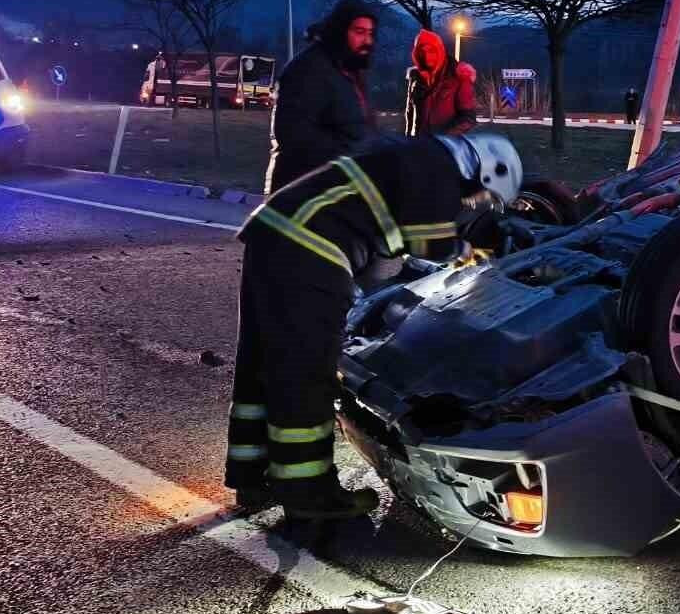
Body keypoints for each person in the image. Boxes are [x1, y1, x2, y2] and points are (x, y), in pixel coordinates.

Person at [224, 131, 524, 520]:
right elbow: (428, 245)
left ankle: (251, 476)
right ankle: (310, 492)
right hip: (312, 247)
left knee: (261, 358)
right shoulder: (437, 168)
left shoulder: (416, 155)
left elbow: (386, 239)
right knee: (309, 372)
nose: (473, 203)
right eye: (482, 196)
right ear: (485, 170)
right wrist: (471, 254)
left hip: (276, 231)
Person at [265, 0, 378, 193]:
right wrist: (354, 158)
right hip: (302, 195)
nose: (367, 41)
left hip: (338, 191)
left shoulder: (351, 73)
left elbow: (358, 127)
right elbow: (295, 137)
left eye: (370, 34)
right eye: (359, 32)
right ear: (340, 31)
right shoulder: (308, 70)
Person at [404, 29, 478, 138]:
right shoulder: (416, 78)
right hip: (418, 146)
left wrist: (443, 138)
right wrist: (408, 141)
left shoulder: (459, 76)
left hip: (448, 147)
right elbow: (410, 114)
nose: (427, 56)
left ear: (440, 51)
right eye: (422, 52)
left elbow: (468, 118)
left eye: (431, 51)